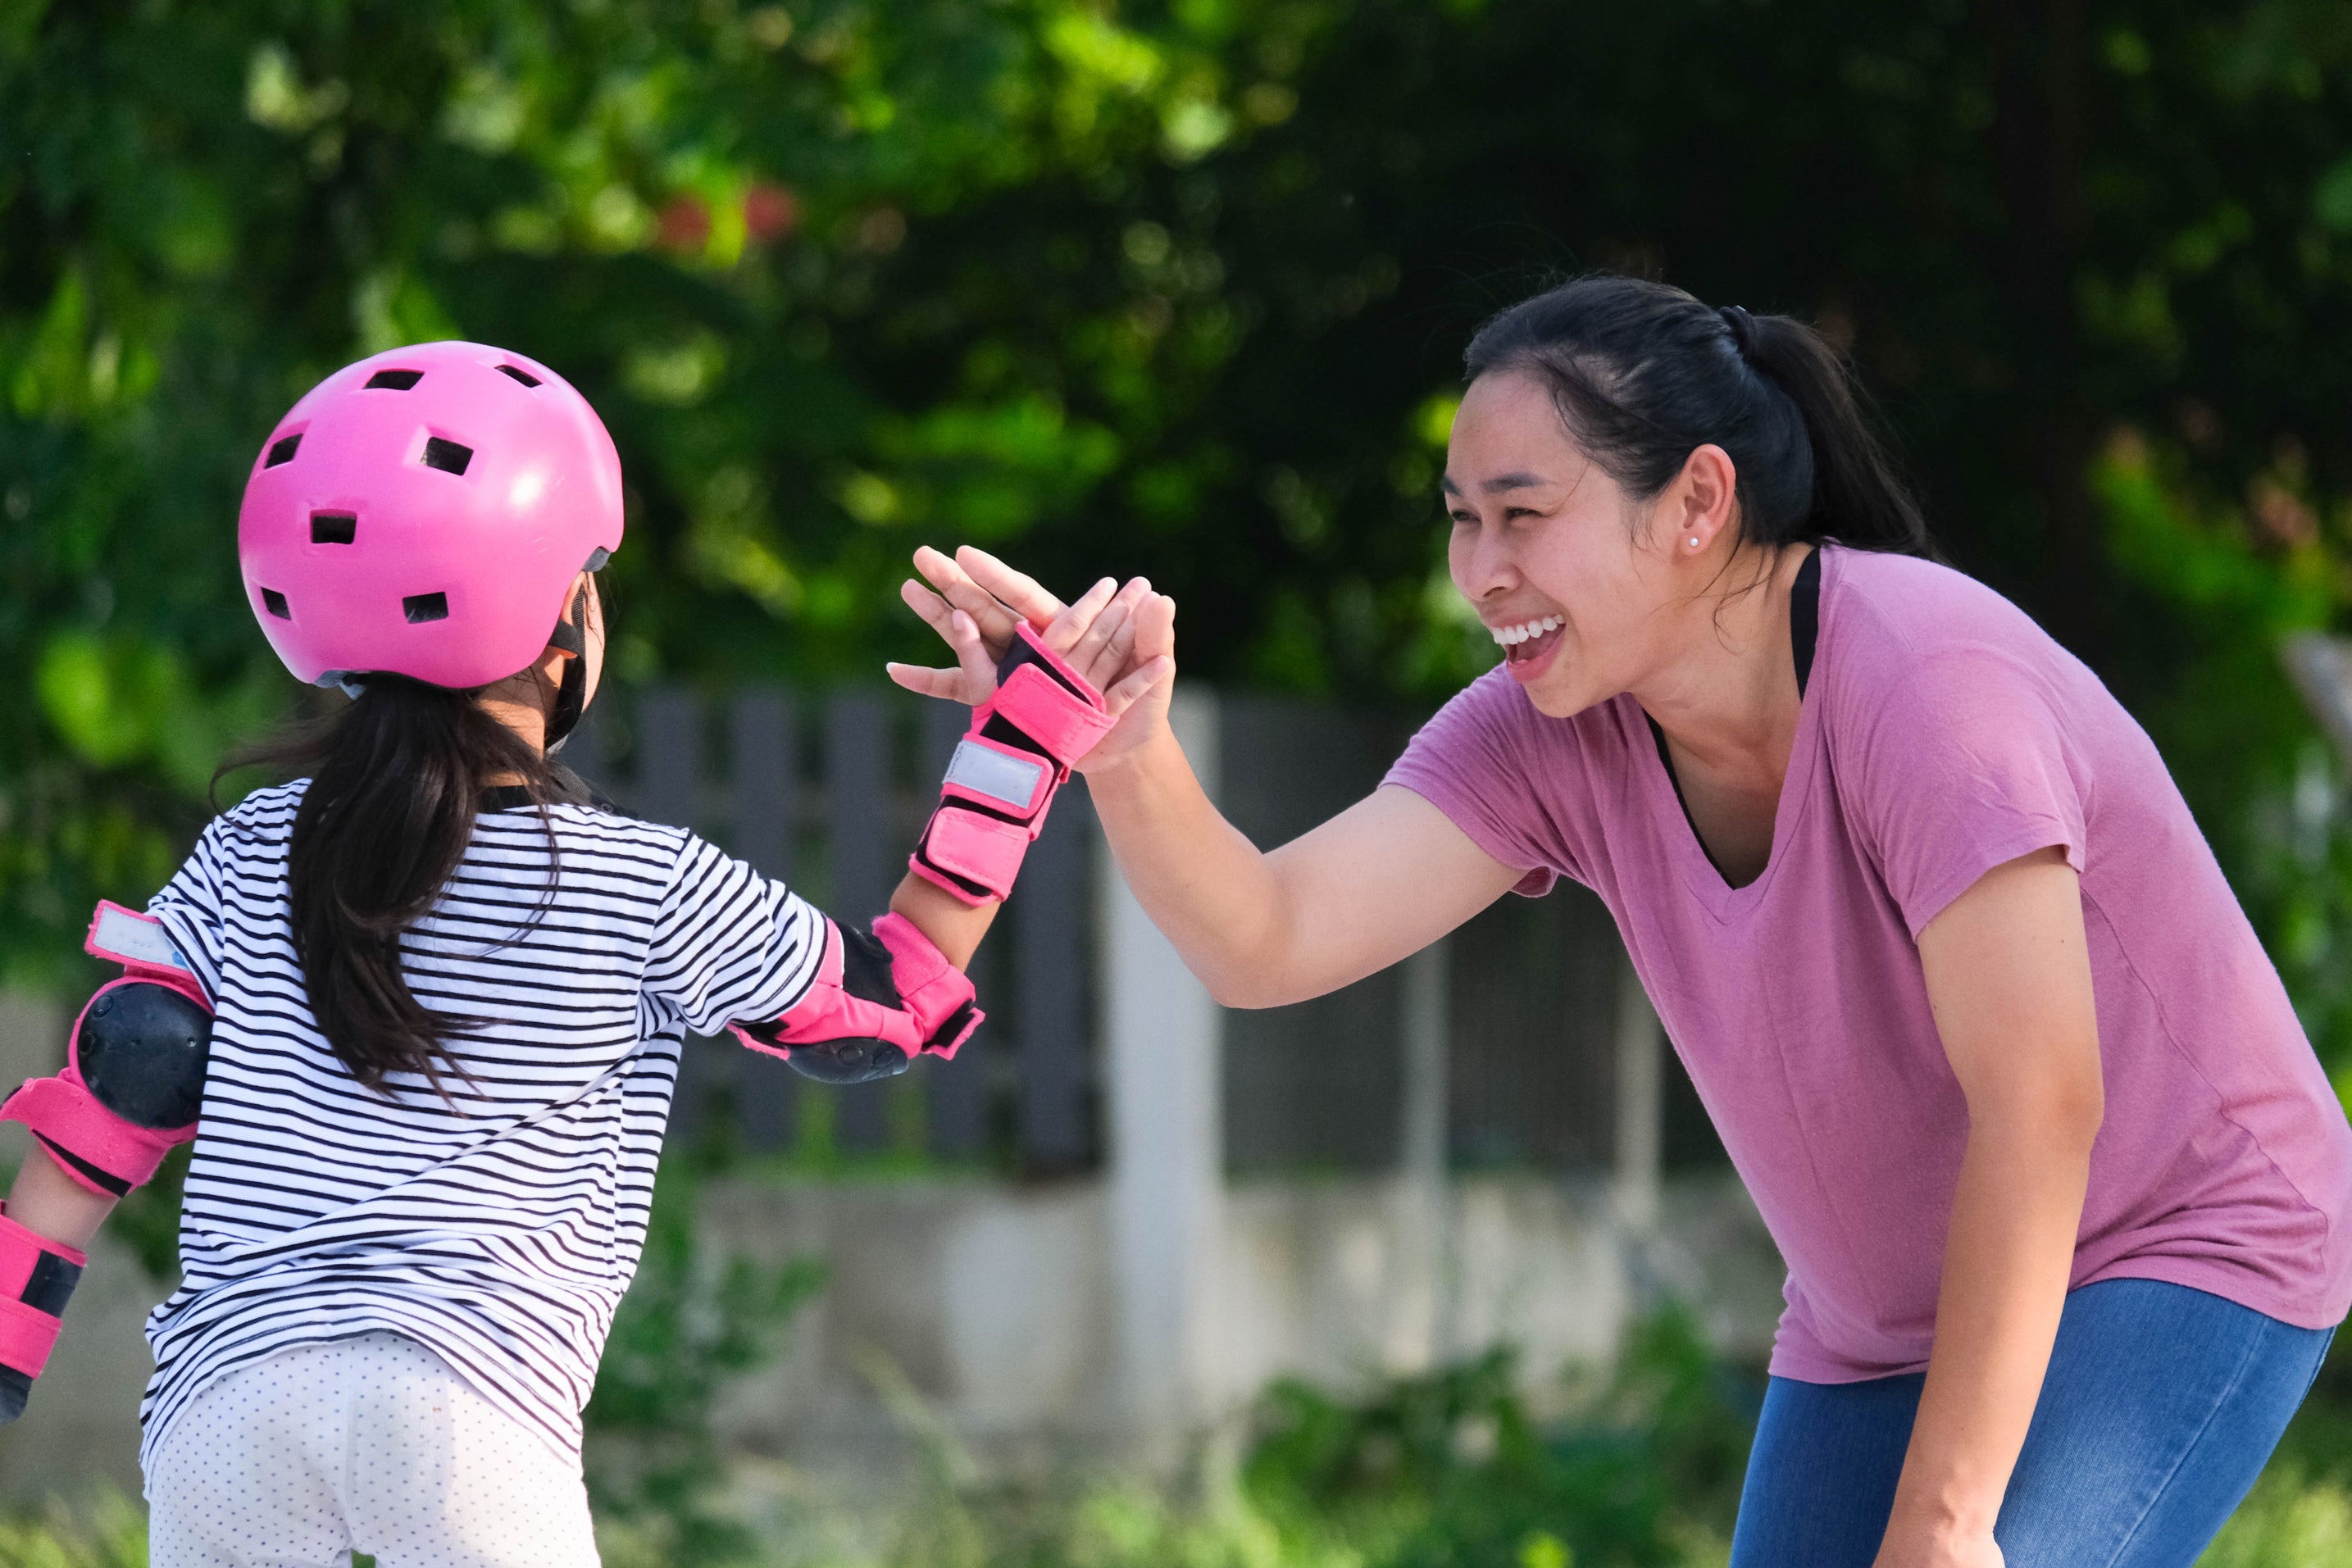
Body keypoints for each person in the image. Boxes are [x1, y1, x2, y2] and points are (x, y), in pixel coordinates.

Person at [891, 275, 2352, 1568]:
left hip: (2179, 1242)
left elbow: (2039, 1100)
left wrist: (1944, 1522)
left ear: (1698, 504)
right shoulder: (1552, 730)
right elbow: (1263, 939)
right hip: (1872, 1314)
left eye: (1524, 515)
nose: (1481, 572)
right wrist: (1128, 750)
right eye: (1462, 522)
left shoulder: (1928, 683)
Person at [0, 340, 1165, 1567]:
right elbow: (884, 1007)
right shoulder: (643, 881)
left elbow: (125, 1074)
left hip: (226, 1416)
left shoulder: (249, 848)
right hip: (465, 1412)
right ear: (567, 617)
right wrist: (1025, 739)